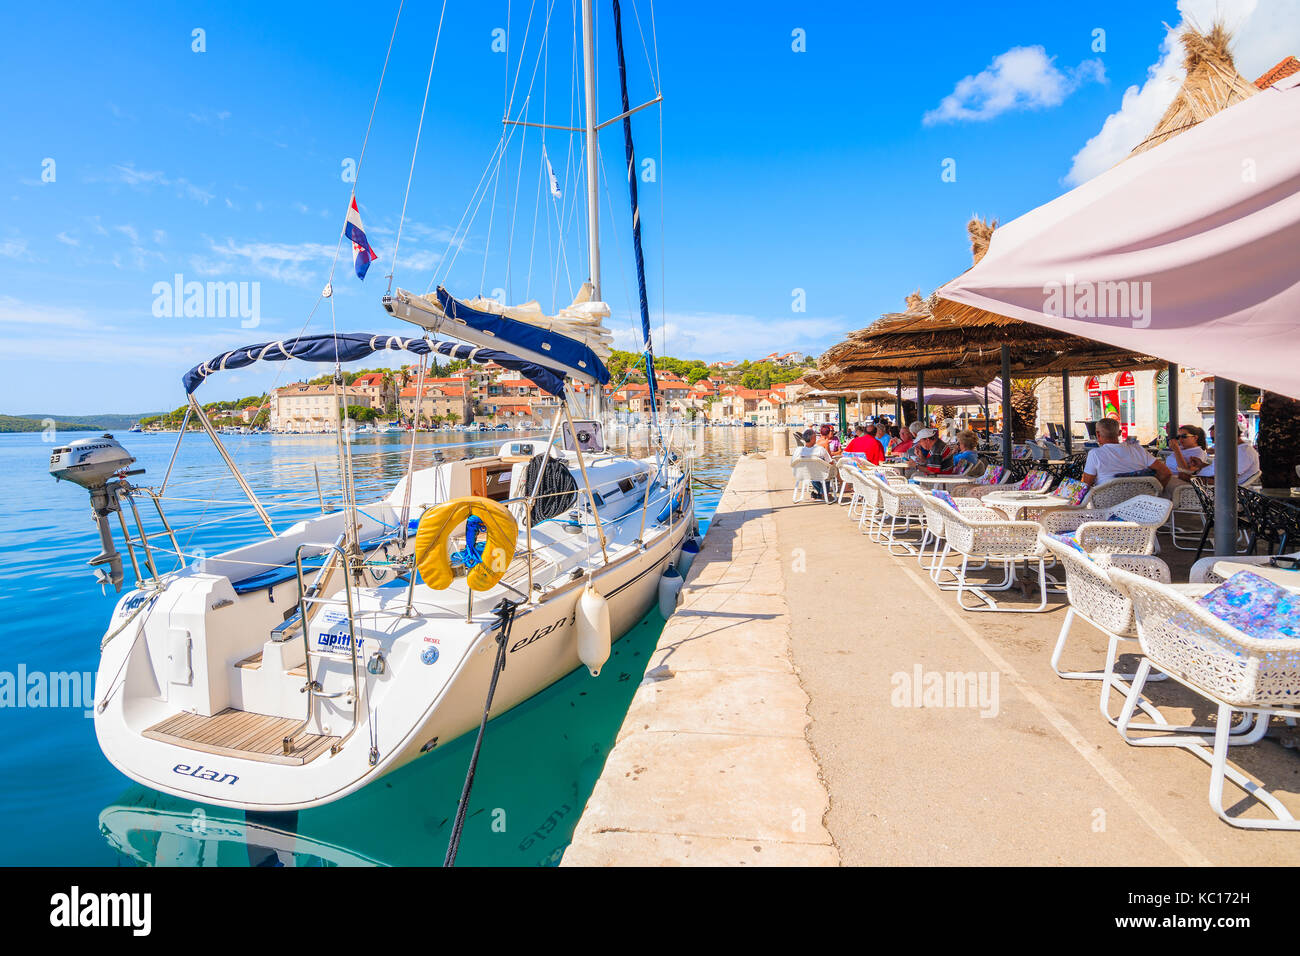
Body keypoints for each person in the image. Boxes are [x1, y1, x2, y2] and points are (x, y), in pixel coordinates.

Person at [1082, 417, 1171, 488]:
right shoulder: (1138, 450)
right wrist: (1157, 491)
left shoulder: (1095, 454)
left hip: (1107, 505)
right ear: (1120, 433)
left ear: (1098, 434)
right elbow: (1166, 473)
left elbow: (1086, 485)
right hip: (1141, 503)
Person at [794, 428, 833, 499]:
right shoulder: (820, 450)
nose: (816, 439)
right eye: (815, 437)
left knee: (813, 476)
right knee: (827, 474)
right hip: (821, 474)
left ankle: (821, 494)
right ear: (812, 439)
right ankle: (823, 494)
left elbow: (794, 462)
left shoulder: (799, 450)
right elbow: (829, 461)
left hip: (806, 474)